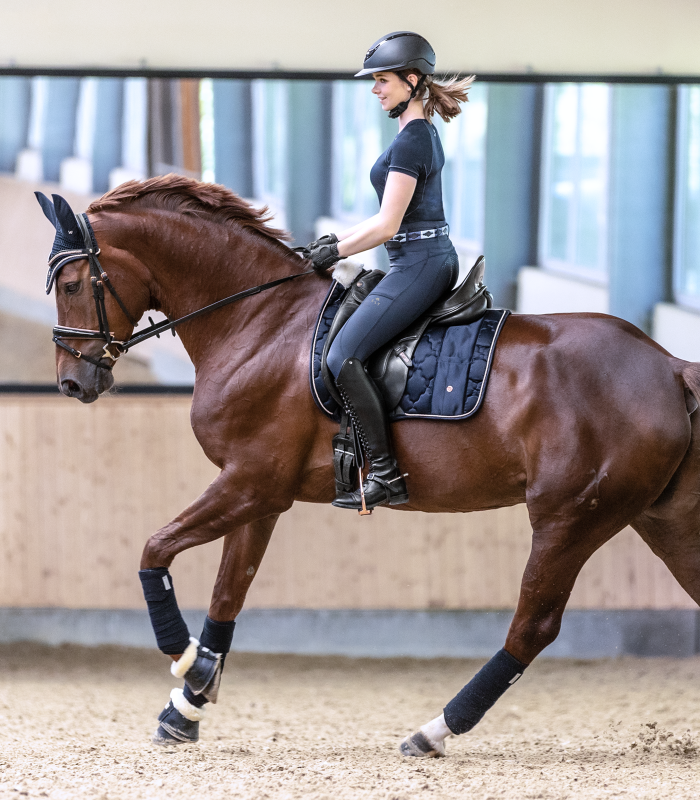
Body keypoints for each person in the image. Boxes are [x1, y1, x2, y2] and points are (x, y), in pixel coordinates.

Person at [308, 31, 475, 512]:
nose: (376, 89)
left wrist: (333, 251)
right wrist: (332, 243)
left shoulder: (413, 141)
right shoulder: (412, 136)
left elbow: (387, 224)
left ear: (411, 80)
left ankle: (384, 474)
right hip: (418, 257)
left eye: (382, 81)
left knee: (342, 357)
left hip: (420, 263)